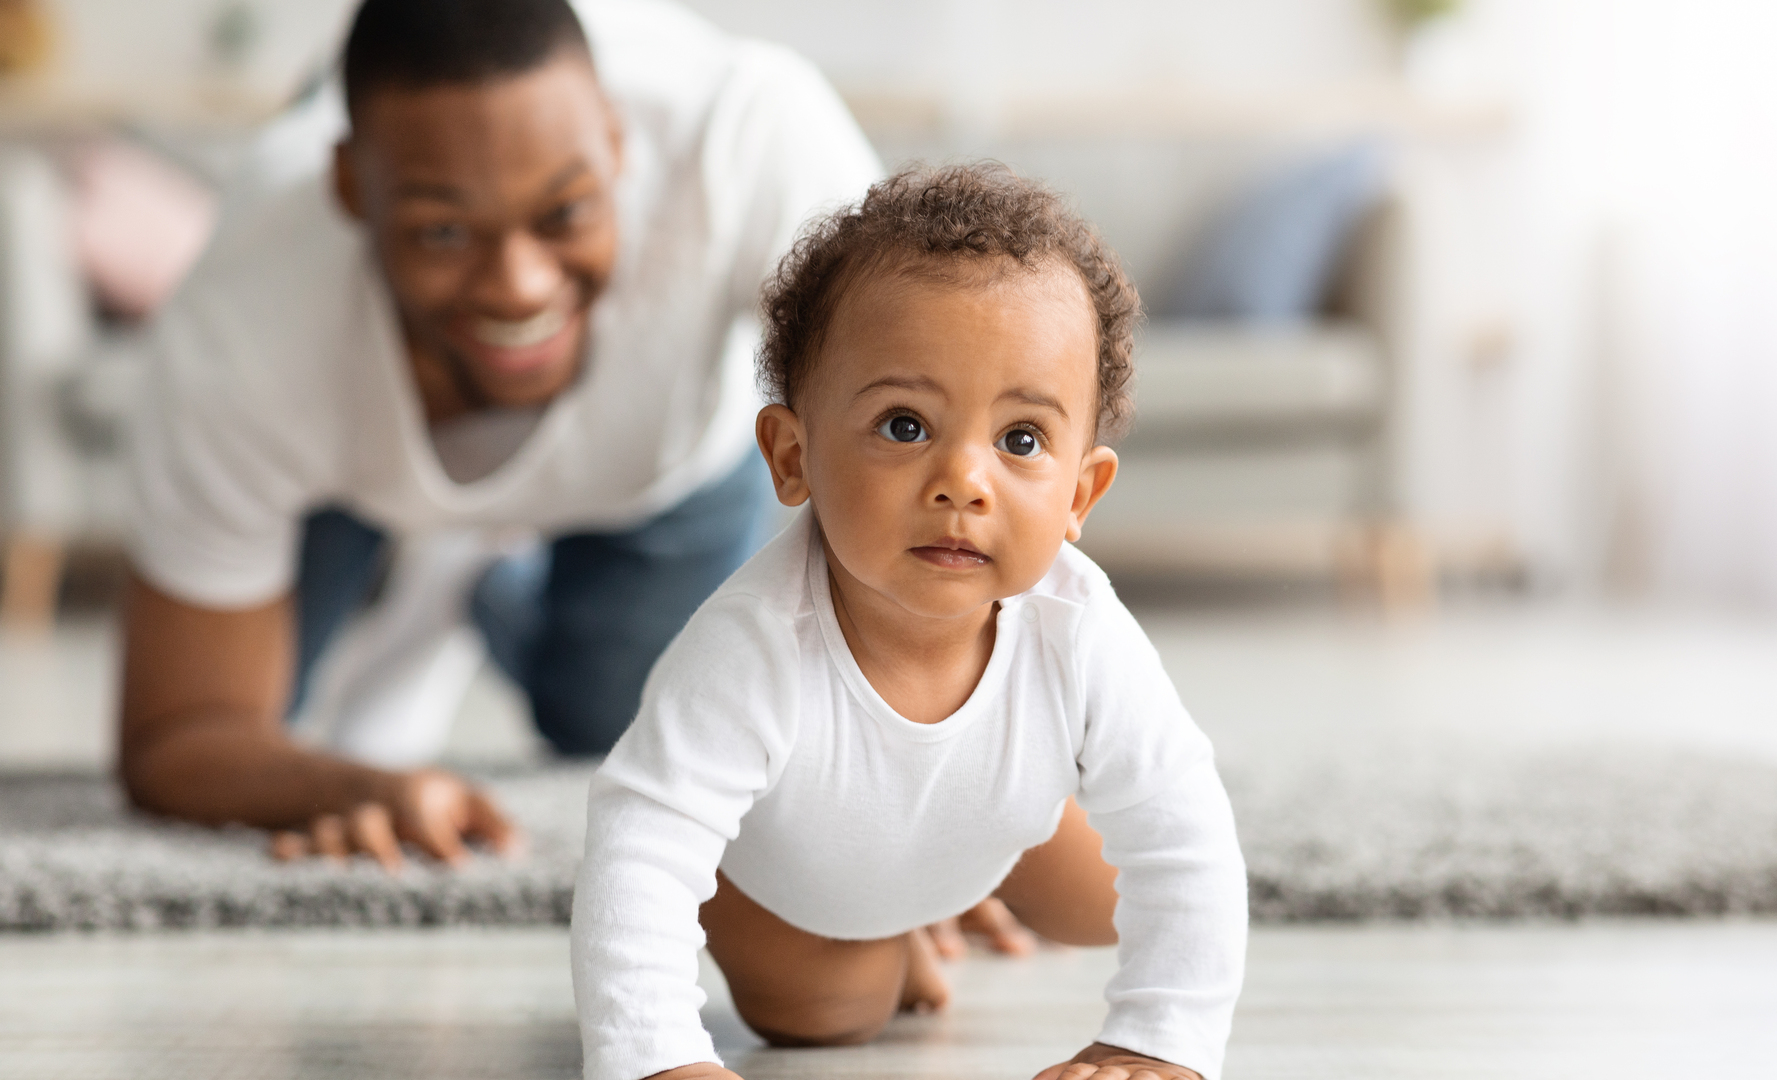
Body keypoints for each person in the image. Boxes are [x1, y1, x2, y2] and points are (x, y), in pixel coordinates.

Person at [115, 0, 881, 867]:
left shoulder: (749, 137)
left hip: (659, 465)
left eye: (562, 215)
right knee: (266, 729)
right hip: (351, 473)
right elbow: (179, 737)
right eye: (443, 230)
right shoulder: (247, 322)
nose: (518, 287)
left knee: (619, 728)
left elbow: (926, 435)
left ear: (619, 144)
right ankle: (436, 550)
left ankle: (485, 582)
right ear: (350, 190)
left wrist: (905, 849)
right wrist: (361, 786)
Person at [572, 165, 1249, 1080]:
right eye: (903, 425)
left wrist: (1160, 1042)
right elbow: (640, 851)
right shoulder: (753, 646)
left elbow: (1184, 833)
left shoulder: (1078, 628)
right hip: (800, 883)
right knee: (825, 1013)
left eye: (1020, 440)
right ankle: (898, 928)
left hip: (983, 824)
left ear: (1081, 492)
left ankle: (955, 880)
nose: (963, 481)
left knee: (1104, 903)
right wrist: (655, 1060)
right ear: (792, 457)